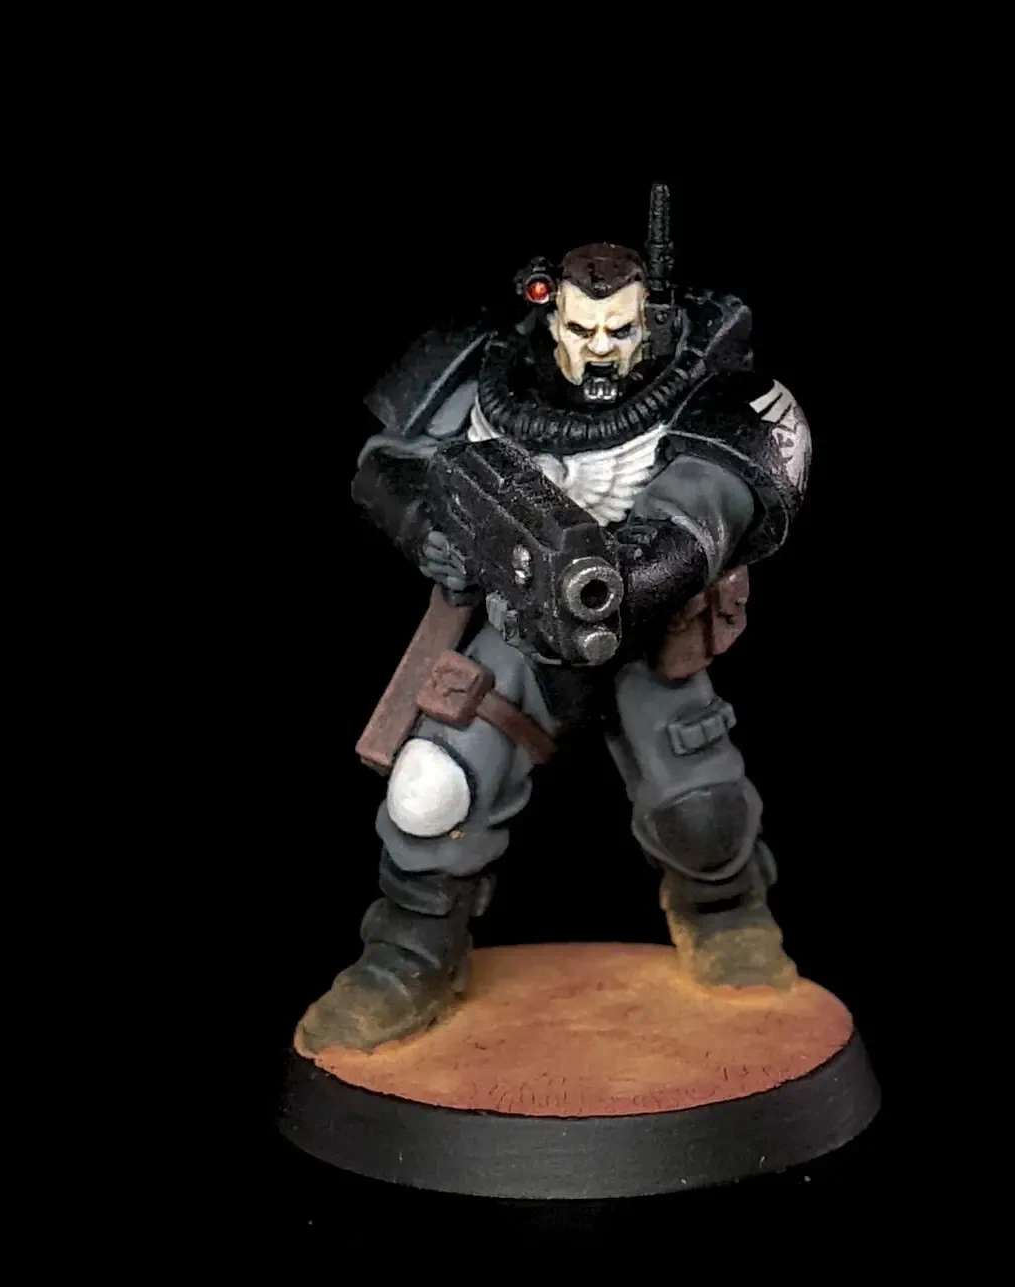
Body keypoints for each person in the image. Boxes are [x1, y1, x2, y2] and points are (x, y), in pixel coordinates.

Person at [301, 186, 812, 1054]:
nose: (599, 348)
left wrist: (637, 571)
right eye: (581, 329)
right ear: (550, 315)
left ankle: (726, 915)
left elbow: (707, 511)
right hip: (518, 629)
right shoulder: (494, 372)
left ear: (651, 320)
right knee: (432, 788)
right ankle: (408, 954)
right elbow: (385, 464)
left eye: (620, 329)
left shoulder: (710, 390)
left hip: (647, 636)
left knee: (701, 809)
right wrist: (433, 529)